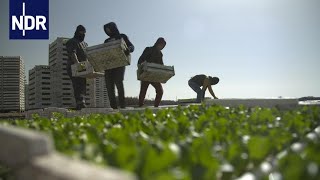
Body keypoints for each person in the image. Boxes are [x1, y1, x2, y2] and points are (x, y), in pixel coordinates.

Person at [103, 22, 134, 109]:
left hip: (119, 64)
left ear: (113, 28)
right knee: (109, 87)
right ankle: (113, 107)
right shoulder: (106, 41)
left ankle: (122, 105)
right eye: (106, 30)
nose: (107, 31)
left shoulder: (122, 36)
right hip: (108, 66)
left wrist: (129, 49)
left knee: (119, 83)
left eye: (109, 29)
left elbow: (131, 46)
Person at [138, 37, 167, 107]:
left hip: (154, 75)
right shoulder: (148, 49)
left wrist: (164, 72)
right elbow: (140, 60)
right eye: (162, 45)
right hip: (146, 73)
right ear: (158, 43)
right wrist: (144, 67)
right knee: (143, 90)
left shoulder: (160, 54)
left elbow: (161, 65)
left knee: (160, 91)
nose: (162, 47)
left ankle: (156, 106)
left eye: (164, 46)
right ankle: (140, 105)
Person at [66, 25, 88, 110]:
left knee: (83, 84)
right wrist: (78, 64)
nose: (83, 34)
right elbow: (73, 53)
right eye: (82, 32)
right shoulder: (72, 41)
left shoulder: (83, 44)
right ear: (77, 32)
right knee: (77, 84)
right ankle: (79, 103)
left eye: (84, 33)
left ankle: (82, 102)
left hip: (82, 66)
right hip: (74, 66)